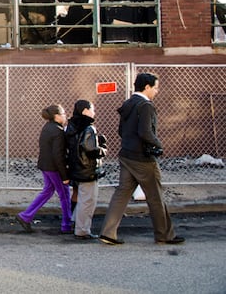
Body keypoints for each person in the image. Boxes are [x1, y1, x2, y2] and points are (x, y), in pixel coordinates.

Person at [99, 73, 186, 246]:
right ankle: (164, 235)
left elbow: (121, 131)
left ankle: (108, 233)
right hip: (143, 158)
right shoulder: (145, 106)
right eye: (155, 87)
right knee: (155, 196)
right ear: (146, 87)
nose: (157, 91)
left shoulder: (128, 104)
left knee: (122, 193)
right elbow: (145, 132)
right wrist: (158, 145)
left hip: (126, 155)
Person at [15, 104, 72, 234]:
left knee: (48, 191)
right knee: (64, 194)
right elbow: (58, 155)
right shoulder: (58, 132)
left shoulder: (47, 128)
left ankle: (26, 216)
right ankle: (67, 224)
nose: (65, 116)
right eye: (63, 114)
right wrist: (65, 176)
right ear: (56, 116)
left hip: (45, 166)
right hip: (54, 168)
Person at [65, 100, 106, 240]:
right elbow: (90, 149)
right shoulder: (89, 128)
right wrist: (103, 148)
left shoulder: (71, 126)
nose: (94, 112)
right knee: (88, 200)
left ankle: (76, 223)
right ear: (85, 111)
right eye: (92, 109)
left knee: (82, 198)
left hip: (76, 168)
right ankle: (82, 230)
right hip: (87, 169)